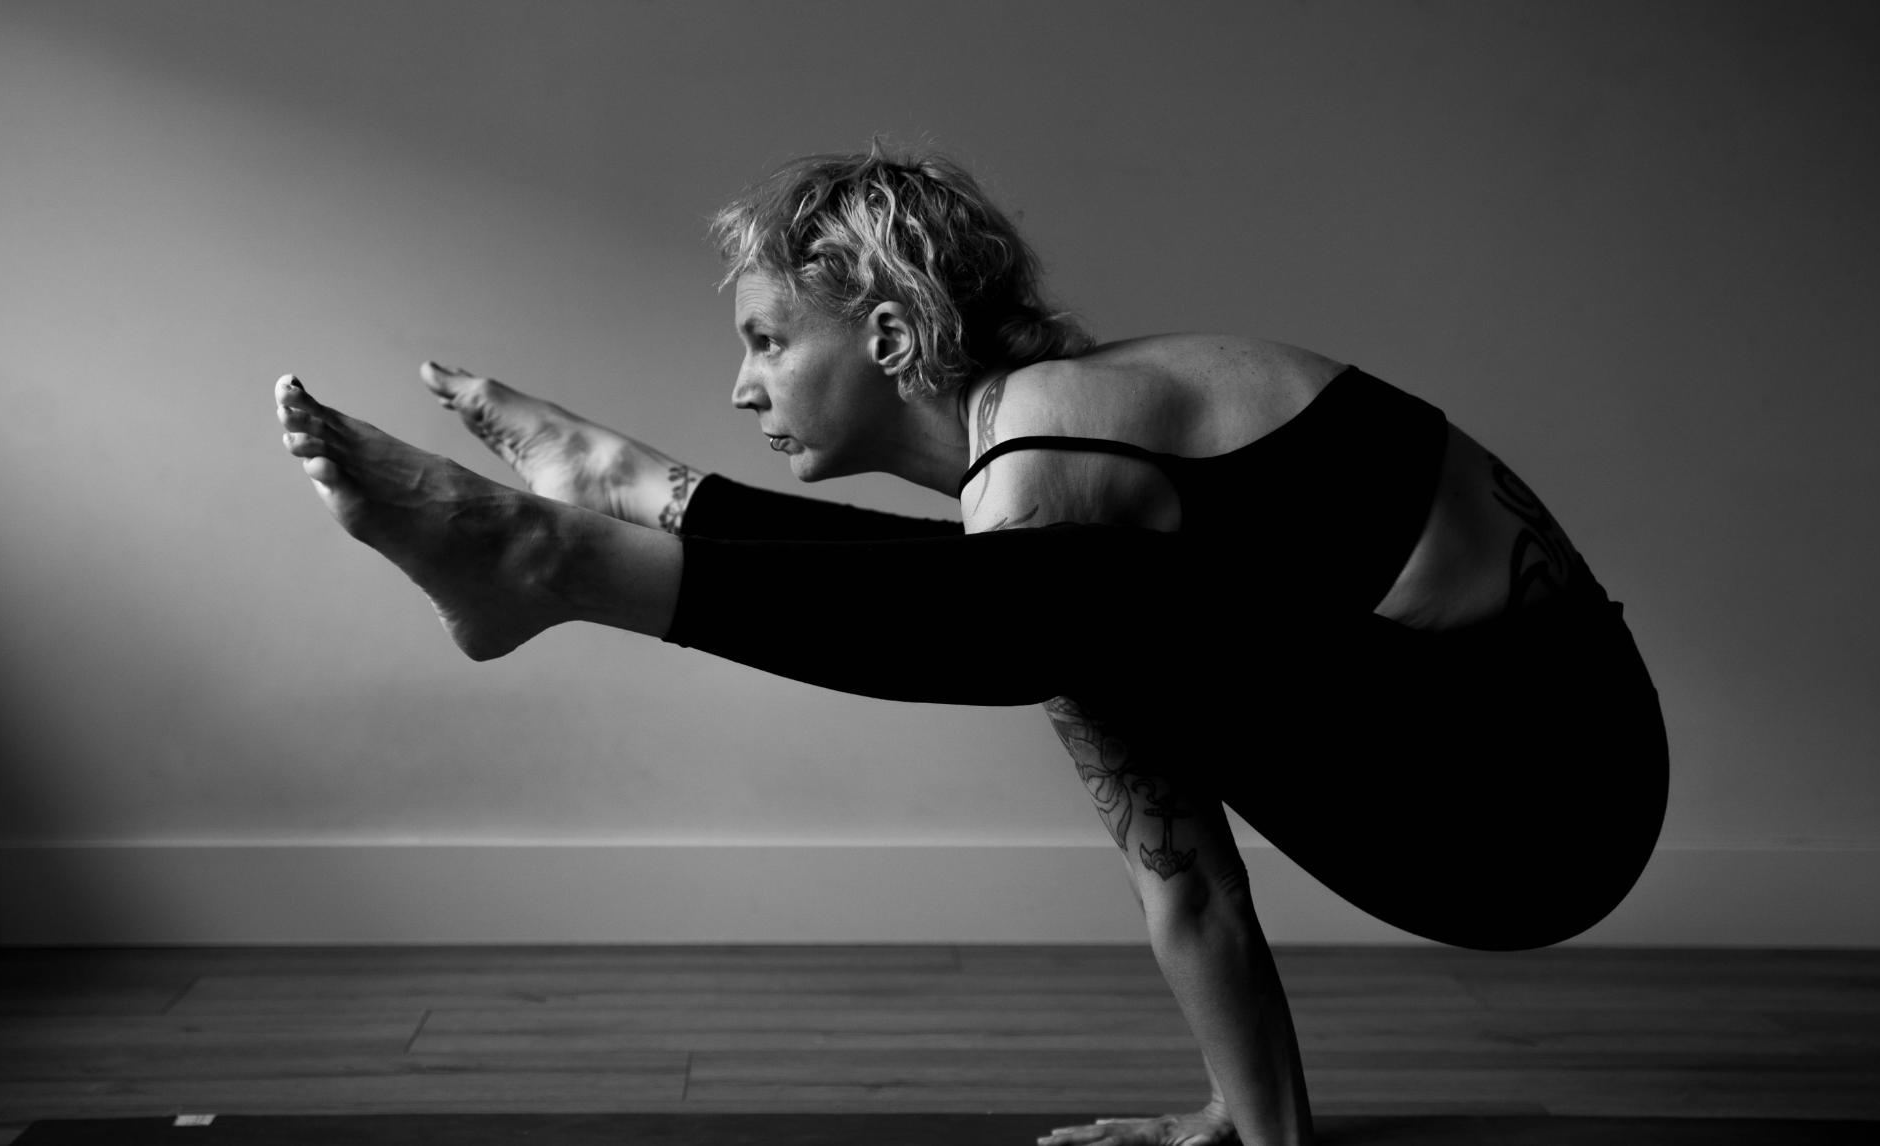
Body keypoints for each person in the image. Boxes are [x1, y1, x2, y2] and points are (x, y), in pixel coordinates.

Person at [272, 143, 1668, 1146]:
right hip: (1469, 788)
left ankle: (575, 543)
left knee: (1025, 602)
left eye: (767, 340)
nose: (742, 383)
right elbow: (1183, 870)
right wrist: (1252, 1129)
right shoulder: (1069, 501)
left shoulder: (1059, 462)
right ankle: (627, 500)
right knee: (1029, 602)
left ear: (888, 334)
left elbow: (1158, 820)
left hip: (1540, 797)